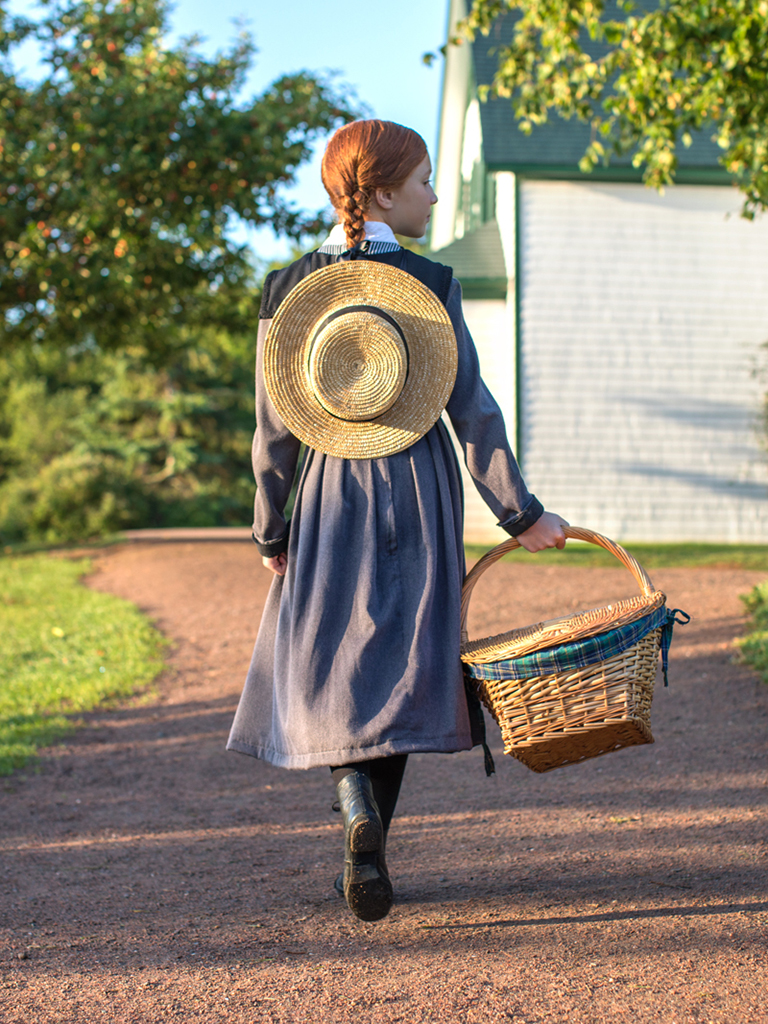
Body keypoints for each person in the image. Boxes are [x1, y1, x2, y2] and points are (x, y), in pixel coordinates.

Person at [227, 119, 568, 922]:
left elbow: (272, 431)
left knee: (333, 662)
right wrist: (521, 514)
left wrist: (271, 529)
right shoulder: (431, 282)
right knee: (407, 665)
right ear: (381, 192)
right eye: (423, 182)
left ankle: (353, 802)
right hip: (418, 488)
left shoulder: (288, 288)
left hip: (330, 494)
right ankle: (373, 835)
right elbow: (472, 411)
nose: (436, 194)